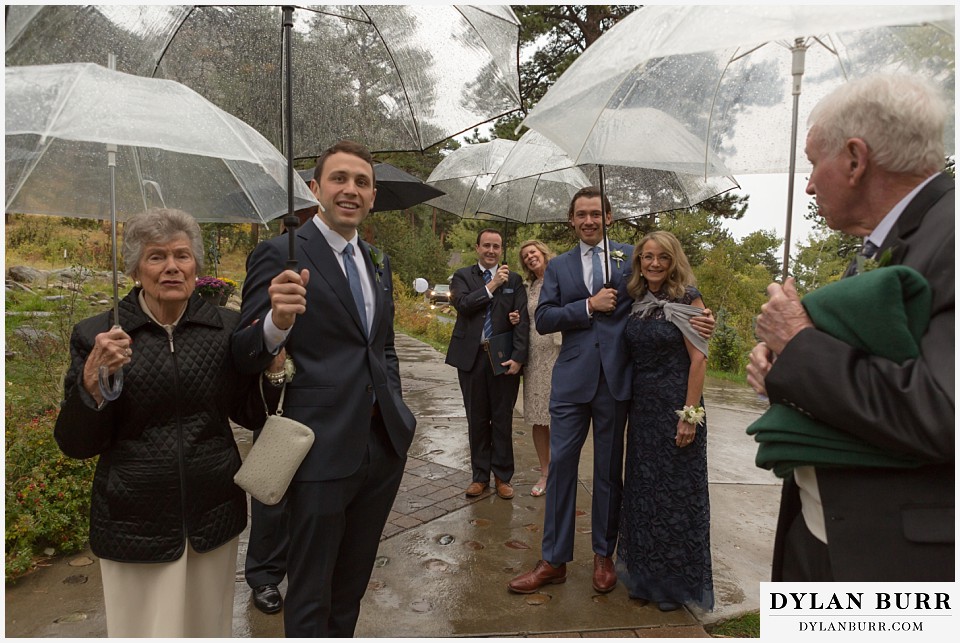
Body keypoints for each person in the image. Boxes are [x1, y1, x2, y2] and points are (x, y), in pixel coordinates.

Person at [747, 74, 954, 581]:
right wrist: (781, 371)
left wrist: (798, 343)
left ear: (857, 159)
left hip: (895, 564)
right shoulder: (877, 246)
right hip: (817, 539)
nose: (810, 183)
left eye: (815, 161)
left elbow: (943, 411)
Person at [53, 208, 268, 637]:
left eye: (182, 255)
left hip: (213, 515)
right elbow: (76, 443)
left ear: (196, 266)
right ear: (135, 268)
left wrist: (274, 366)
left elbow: (252, 413)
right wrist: (92, 384)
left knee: (207, 628)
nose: (172, 267)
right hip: (134, 520)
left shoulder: (225, 328)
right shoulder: (98, 335)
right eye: (156, 257)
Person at [233, 139, 416, 636]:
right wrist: (275, 321)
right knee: (311, 590)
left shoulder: (377, 260)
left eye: (361, 182)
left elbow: (384, 347)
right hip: (317, 448)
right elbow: (242, 351)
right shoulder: (280, 254)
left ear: (373, 195)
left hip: (381, 447)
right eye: (339, 179)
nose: (350, 190)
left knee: (351, 584)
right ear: (315, 189)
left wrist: (396, 404)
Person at [509, 187, 715, 595]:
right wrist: (588, 305)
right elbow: (545, 318)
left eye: (595, 214)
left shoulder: (629, 257)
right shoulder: (559, 266)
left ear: (608, 216)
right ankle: (553, 560)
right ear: (571, 220)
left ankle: (604, 555)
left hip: (618, 382)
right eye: (580, 214)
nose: (588, 220)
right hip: (570, 382)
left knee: (607, 472)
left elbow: (664, 288)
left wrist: (699, 314)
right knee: (562, 468)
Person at [617, 230, 712, 612]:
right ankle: (645, 578)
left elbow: (699, 359)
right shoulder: (636, 298)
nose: (654, 264)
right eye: (647, 257)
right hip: (643, 411)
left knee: (675, 497)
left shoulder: (688, 297)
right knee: (645, 494)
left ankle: (674, 586)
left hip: (677, 407)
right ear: (639, 260)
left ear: (674, 262)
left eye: (663, 258)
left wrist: (689, 416)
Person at [446, 228, 529, 500]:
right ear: (477, 248)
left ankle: (503, 477)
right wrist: (492, 286)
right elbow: (464, 305)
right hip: (471, 358)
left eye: (496, 246)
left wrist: (518, 356)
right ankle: (479, 476)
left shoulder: (514, 280)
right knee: (477, 418)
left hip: (502, 357)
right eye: (487, 246)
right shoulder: (462, 276)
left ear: (501, 249)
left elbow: (521, 320)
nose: (491, 251)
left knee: (502, 419)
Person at [511, 239, 561, 497]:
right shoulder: (528, 287)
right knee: (538, 418)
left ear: (543, 252)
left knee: (561, 415)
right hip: (534, 354)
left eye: (533, 252)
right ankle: (545, 472)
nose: (530, 257)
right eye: (525, 256)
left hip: (559, 352)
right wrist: (515, 317)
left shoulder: (561, 277)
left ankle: (562, 472)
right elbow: (523, 317)